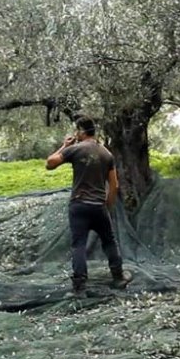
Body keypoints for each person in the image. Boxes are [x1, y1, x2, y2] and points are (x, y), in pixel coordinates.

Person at [46, 116, 132, 298]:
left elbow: (50, 164)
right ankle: (118, 277)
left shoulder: (75, 150)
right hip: (98, 206)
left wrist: (65, 146)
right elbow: (114, 185)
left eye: (77, 131)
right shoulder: (106, 154)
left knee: (79, 245)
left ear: (81, 132)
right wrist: (107, 207)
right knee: (109, 241)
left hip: (78, 206)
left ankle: (79, 288)